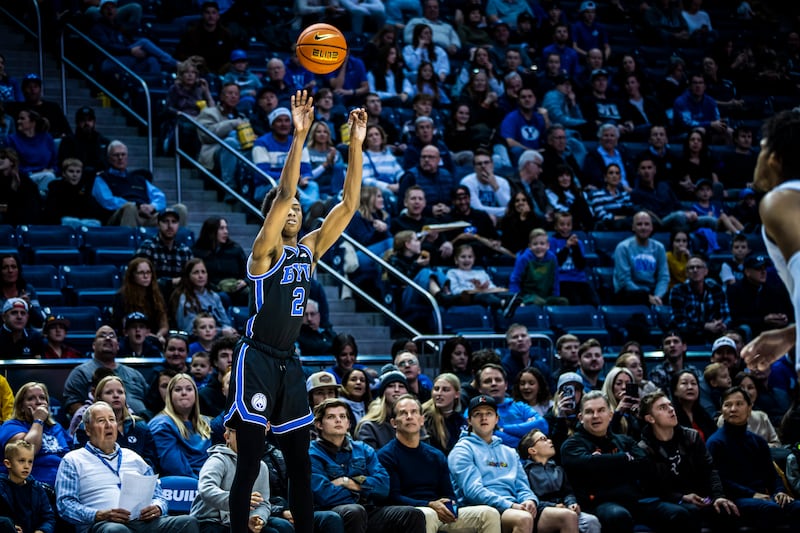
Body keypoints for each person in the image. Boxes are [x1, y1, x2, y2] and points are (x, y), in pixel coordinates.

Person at [223, 91, 365, 533]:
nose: (296, 209)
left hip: (289, 362)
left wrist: (355, 145)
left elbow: (348, 206)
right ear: (272, 217)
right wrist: (299, 137)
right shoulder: (264, 253)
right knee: (248, 462)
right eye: (288, 209)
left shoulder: (309, 250)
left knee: (300, 463)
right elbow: (286, 191)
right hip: (256, 357)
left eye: (301, 209)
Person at [55, 401, 200, 533]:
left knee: (187, 522)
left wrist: (157, 507)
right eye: (101, 421)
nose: (108, 425)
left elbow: (159, 496)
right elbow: (65, 505)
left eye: (112, 420)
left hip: (143, 521)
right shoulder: (72, 460)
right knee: (116, 531)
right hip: (102, 523)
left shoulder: (134, 457)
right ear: (87, 429)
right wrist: (99, 514)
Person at [561, 390, 691, 533]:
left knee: (679, 513)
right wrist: (625, 458)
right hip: (600, 504)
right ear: (581, 417)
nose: (596, 416)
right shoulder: (571, 445)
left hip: (634, 501)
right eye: (589, 412)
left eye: (601, 410)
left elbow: (645, 464)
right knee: (619, 516)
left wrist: (602, 462)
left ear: (610, 415)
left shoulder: (624, 440)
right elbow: (588, 465)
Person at [450, 395, 578, 533]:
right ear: (469, 420)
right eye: (477, 414)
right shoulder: (462, 450)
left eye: (489, 413)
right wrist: (510, 505)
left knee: (568, 516)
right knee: (523, 518)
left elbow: (523, 486)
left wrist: (529, 500)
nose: (484, 418)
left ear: (497, 419)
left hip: (514, 507)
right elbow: (473, 492)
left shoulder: (509, 452)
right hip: (480, 509)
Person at [377, 395, 501, 533]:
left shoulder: (436, 455)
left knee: (489, 514)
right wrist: (429, 505)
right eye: (403, 413)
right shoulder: (386, 455)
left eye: (414, 412)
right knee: (426, 515)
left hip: (438, 511)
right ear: (394, 423)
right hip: (409, 514)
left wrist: (449, 506)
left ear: (422, 420)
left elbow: (449, 494)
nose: (409, 416)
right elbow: (393, 497)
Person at [309, 398, 426, 533]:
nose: (338, 420)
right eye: (331, 417)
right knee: (355, 511)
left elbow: (383, 486)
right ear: (319, 424)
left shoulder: (363, 449)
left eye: (342, 416)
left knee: (412, 514)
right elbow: (324, 495)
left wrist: (346, 482)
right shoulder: (312, 453)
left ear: (348, 423)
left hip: (368, 509)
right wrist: (364, 491)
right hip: (332, 512)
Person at [637, 391, 740, 533]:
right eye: (662, 407)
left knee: (726, 509)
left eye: (670, 405)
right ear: (650, 418)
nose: (671, 409)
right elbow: (651, 487)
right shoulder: (644, 448)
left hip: (700, 496)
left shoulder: (692, 437)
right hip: (670, 500)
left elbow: (710, 470)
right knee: (687, 513)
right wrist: (682, 497)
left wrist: (718, 497)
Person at [706, 386, 800, 530]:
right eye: (727, 405)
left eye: (739, 404)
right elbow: (720, 479)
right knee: (770, 509)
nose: (733, 409)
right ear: (721, 410)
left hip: (763, 496)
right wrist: (752, 494)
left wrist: (780, 491)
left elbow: (772, 474)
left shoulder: (758, 441)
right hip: (735, 498)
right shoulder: (715, 442)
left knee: (797, 507)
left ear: (750, 408)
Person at [190, 424, 271, 533]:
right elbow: (206, 490)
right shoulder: (217, 460)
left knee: (281, 527)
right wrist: (239, 499)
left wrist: (257, 517)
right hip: (211, 521)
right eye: (243, 433)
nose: (249, 438)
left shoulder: (262, 466)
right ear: (227, 437)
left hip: (244, 519)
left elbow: (263, 502)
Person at [518, 429, 601, 533]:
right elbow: (528, 497)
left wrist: (571, 503)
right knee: (567, 516)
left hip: (564, 507)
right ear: (532, 450)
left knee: (591, 521)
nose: (550, 441)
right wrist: (553, 506)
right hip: (541, 512)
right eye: (543, 439)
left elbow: (567, 492)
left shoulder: (558, 469)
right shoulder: (525, 472)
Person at [73, 375, 159, 471]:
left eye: (120, 392)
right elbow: (81, 459)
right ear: (99, 398)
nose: (116, 395)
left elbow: (151, 462)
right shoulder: (87, 427)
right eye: (109, 392)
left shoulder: (139, 426)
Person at [62, 325, 149, 417]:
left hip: (141, 423)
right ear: (94, 345)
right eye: (102, 336)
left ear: (118, 346)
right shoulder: (81, 372)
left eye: (112, 336)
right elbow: (72, 405)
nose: (108, 338)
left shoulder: (134, 373)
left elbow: (150, 402)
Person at [0, 382, 70, 488]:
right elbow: (27, 451)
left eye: (42, 398)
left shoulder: (56, 427)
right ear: (21, 406)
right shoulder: (10, 426)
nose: (38, 402)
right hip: (31, 488)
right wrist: (38, 420)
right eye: (31, 399)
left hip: (64, 484)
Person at [92, 141, 174, 227]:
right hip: (118, 218)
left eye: (123, 154)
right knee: (129, 208)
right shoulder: (101, 178)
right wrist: (137, 207)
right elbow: (108, 201)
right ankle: (129, 240)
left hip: (146, 215)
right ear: (108, 158)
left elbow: (160, 196)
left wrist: (152, 207)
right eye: (116, 155)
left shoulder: (139, 179)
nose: (120, 158)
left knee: (179, 210)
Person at [148, 373, 212, 478]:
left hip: (209, 482)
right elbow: (175, 467)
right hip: (182, 485)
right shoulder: (161, 424)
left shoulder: (207, 423)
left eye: (189, 389)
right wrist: (204, 486)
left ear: (195, 394)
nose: (184, 393)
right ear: (169, 396)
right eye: (177, 390)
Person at [668, 254, 731, 345]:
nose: (695, 270)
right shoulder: (678, 290)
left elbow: (726, 315)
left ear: (706, 271)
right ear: (686, 273)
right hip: (689, 335)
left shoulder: (716, 289)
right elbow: (678, 321)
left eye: (698, 267)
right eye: (691, 268)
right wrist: (705, 326)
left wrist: (722, 324)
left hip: (716, 332)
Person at [613, 211, 670, 306]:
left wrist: (658, 296)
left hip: (652, 291)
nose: (643, 228)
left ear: (651, 228)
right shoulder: (623, 247)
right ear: (633, 227)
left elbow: (663, 277)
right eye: (639, 224)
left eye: (647, 224)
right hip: (630, 292)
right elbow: (624, 281)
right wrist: (647, 297)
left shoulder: (659, 247)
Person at [135, 207, 193, 299]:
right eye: (165, 221)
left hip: (178, 298)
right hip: (151, 297)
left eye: (174, 222)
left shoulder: (185, 251)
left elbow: (191, 278)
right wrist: (170, 283)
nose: (170, 226)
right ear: (158, 224)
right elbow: (139, 280)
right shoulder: (147, 248)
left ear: (178, 225)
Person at [169, 258, 237, 336]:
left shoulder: (214, 296)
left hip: (220, 336)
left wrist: (229, 330)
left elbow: (226, 322)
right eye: (196, 272)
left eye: (203, 272)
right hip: (198, 339)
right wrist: (220, 332)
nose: (200, 276)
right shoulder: (183, 299)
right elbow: (189, 329)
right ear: (188, 276)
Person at [0, 439, 56, 533]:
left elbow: (49, 518)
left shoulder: (37, 488)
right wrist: (9, 526)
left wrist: (42, 530)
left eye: (30, 461)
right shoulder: (1, 487)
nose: (27, 466)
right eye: (21, 461)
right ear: (8, 463)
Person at [192, 217, 249, 308]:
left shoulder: (235, 249)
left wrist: (245, 282)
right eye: (221, 228)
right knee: (222, 297)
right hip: (211, 290)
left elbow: (249, 271)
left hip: (236, 288)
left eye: (226, 228)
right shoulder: (197, 251)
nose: (226, 232)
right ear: (211, 231)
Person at [111, 257, 170, 343]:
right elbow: (122, 326)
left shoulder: (157, 295)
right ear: (132, 275)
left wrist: (158, 335)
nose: (146, 276)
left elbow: (164, 324)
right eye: (141, 273)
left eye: (148, 273)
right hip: (130, 338)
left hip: (154, 337)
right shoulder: (121, 297)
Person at [509, 228, 569, 306]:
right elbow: (515, 280)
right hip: (527, 296)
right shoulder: (524, 259)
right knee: (539, 302)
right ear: (530, 246)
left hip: (546, 297)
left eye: (542, 244)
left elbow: (555, 280)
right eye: (535, 244)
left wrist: (555, 296)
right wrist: (515, 299)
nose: (539, 247)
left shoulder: (552, 258)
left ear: (548, 246)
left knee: (563, 301)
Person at [6, 108, 58, 195]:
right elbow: (12, 165)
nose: (18, 121)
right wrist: (39, 171)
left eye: (22, 118)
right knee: (49, 177)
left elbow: (55, 162)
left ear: (33, 122)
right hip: (23, 177)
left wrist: (52, 170)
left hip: (46, 175)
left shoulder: (47, 138)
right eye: (18, 118)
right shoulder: (11, 140)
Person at [356, 370, 410, 450]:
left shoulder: (414, 422)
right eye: (391, 386)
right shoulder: (369, 427)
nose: (396, 389)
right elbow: (370, 459)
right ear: (383, 393)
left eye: (401, 386)